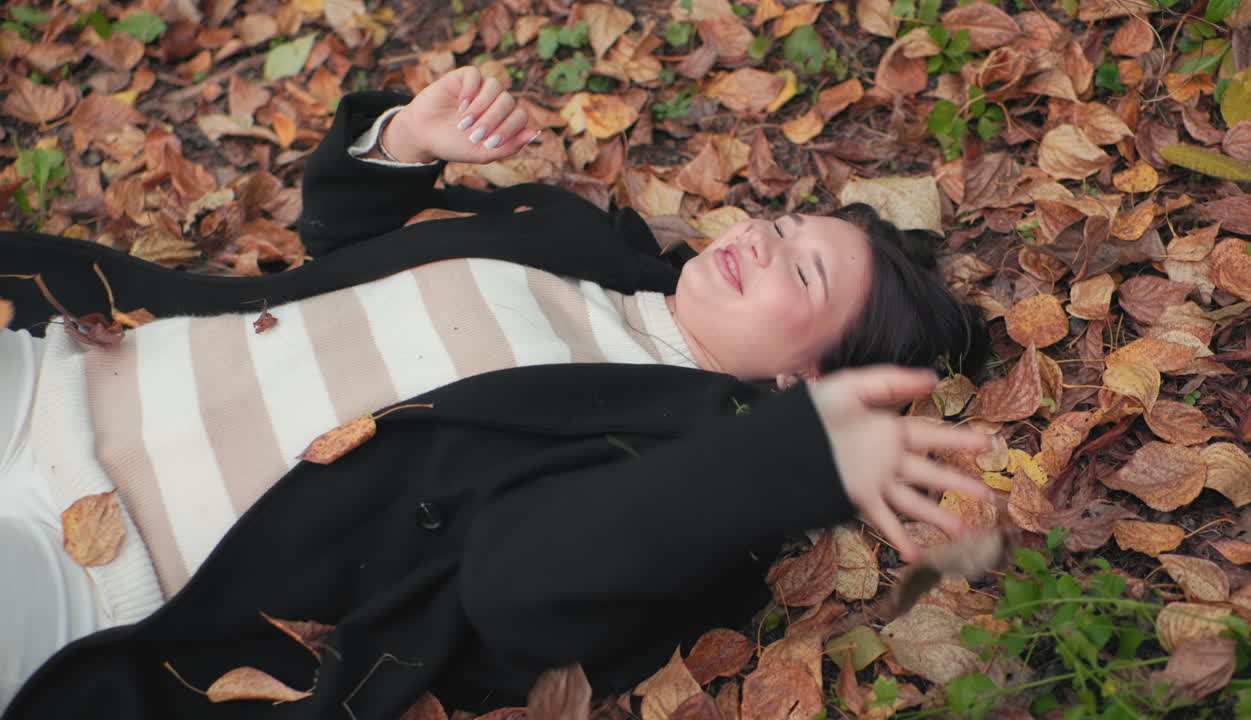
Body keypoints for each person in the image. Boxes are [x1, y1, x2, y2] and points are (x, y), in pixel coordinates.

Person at [0, 67, 994, 719]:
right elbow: (340, 259)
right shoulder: (575, 242)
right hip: (53, 360)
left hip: (89, 567)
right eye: (776, 224)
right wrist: (400, 139)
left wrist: (788, 461)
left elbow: (519, 591)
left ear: (805, 380)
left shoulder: (682, 465)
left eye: (801, 270)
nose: (752, 239)